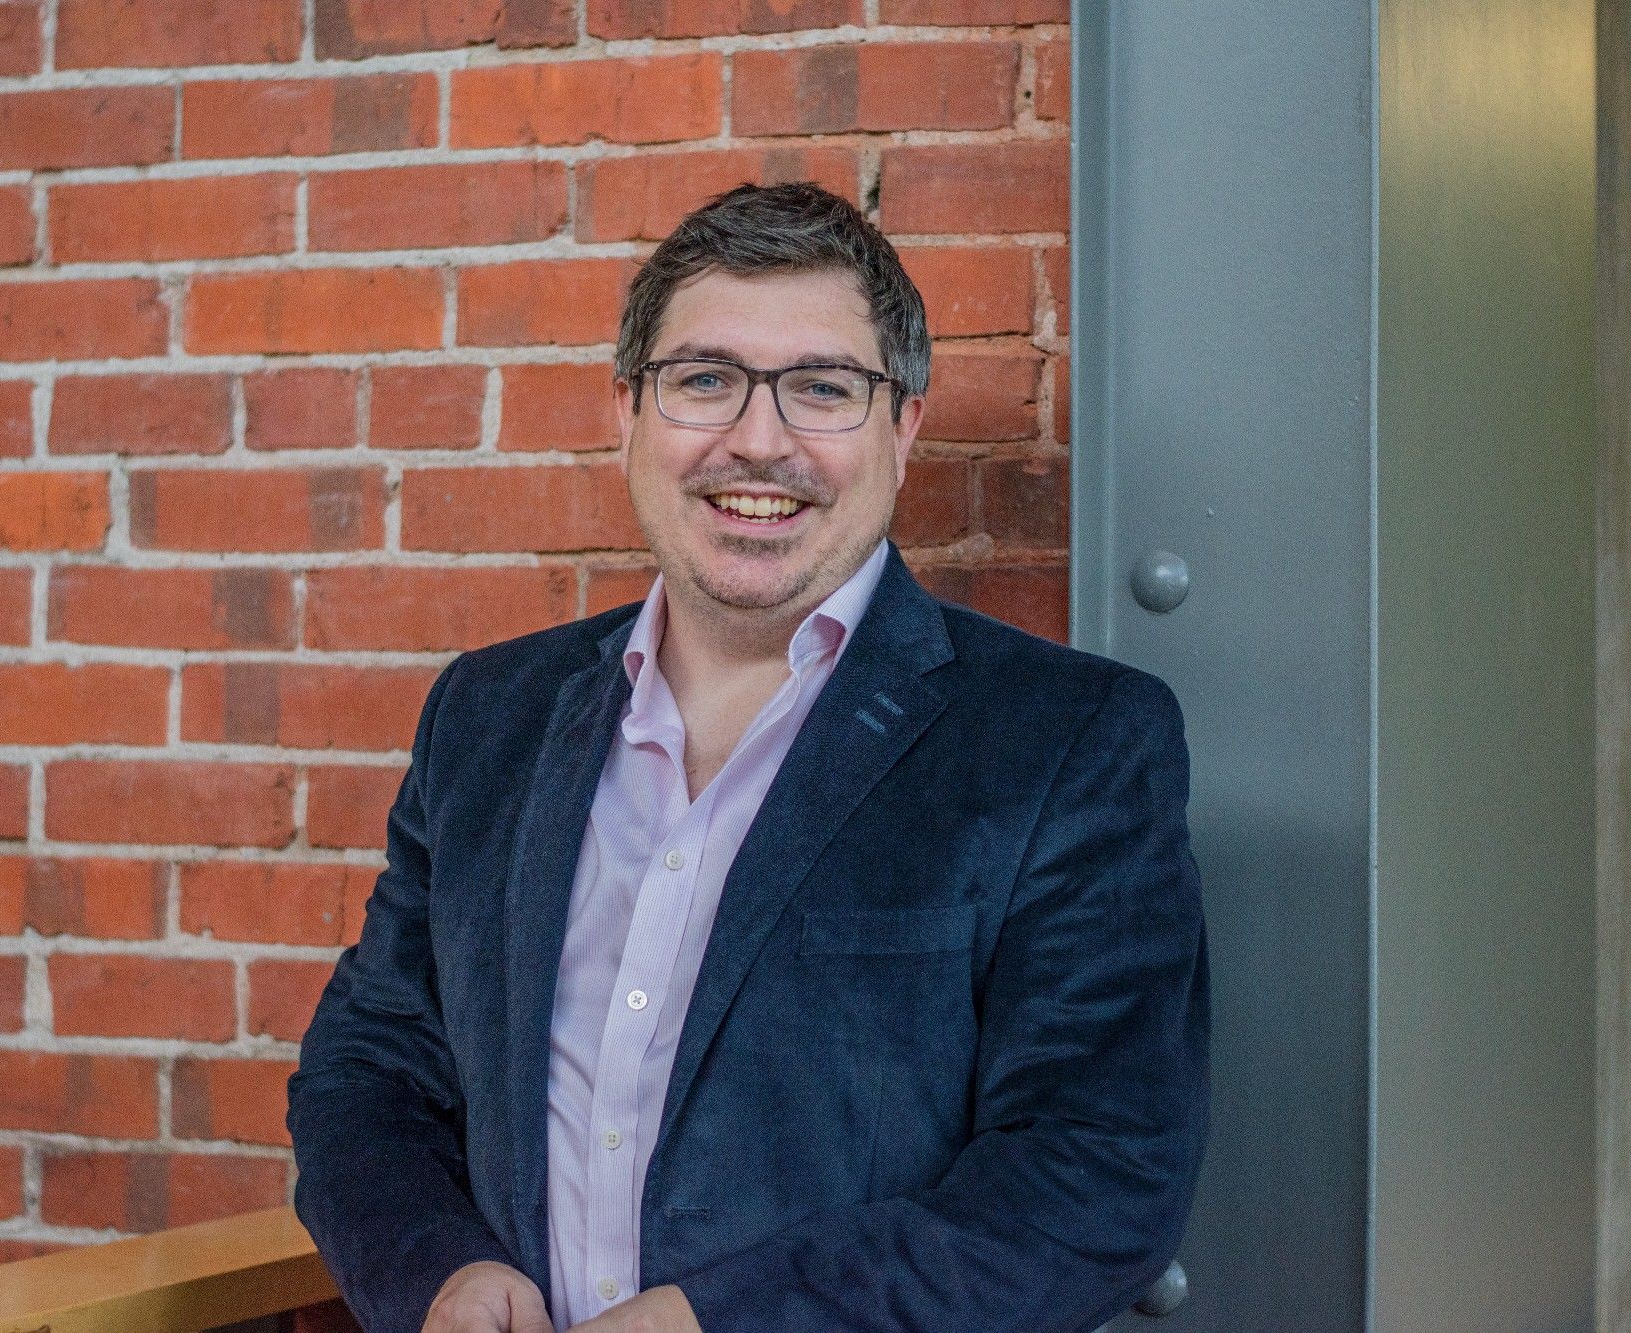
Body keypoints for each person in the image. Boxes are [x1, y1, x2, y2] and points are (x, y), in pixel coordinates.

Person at [288, 183, 1209, 1333]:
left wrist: (718, 1322)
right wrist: (437, 1274)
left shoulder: (1068, 743)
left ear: (902, 425)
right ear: (626, 409)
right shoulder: (488, 715)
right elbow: (370, 1071)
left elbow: (1095, 1174)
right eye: (704, 379)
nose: (758, 439)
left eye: (822, 388)